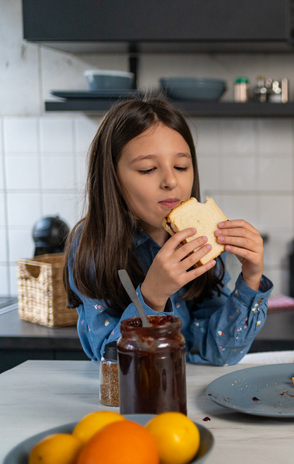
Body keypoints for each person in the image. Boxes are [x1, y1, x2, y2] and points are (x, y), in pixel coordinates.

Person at [63, 97, 273, 365]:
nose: (171, 181)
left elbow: (218, 351)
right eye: (148, 169)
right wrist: (152, 296)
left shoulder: (200, 241)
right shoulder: (91, 246)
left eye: (181, 166)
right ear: (111, 177)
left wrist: (251, 277)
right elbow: (111, 361)